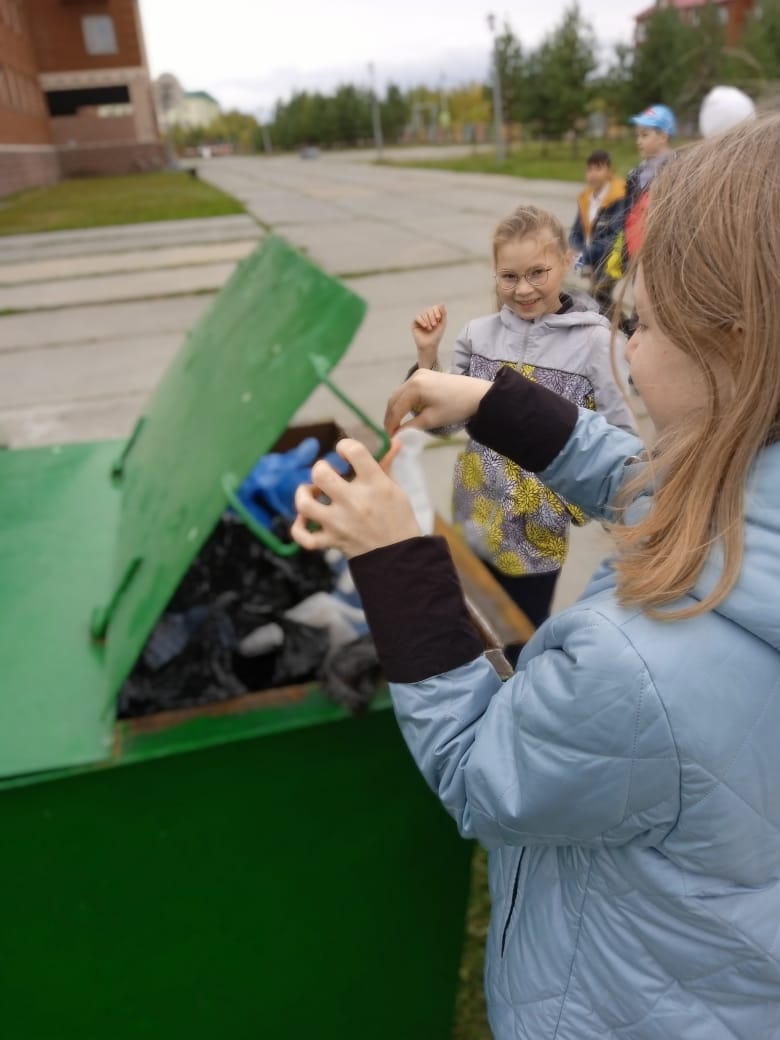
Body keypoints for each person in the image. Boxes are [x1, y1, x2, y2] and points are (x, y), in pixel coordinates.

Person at [291, 113, 780, 1039]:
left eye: (643, 321)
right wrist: (495, 405)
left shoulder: (634, 667)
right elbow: (665, 491)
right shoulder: (750, 480)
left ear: (736, 342)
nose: (624, 347)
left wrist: (396, 561)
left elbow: (483, 771)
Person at [408, 205, 636, 646]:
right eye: (509, 276)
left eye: (538, 272)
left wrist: (587, 509)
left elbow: (622, 445)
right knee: (468, 632)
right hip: (472, 518)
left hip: (536, 539)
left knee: (517, 644)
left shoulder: (594, 343)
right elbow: (441, 427)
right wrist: (425, 356)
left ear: (566, 262)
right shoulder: (478, 336)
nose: (523, 288)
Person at [606, 103, 676, 303]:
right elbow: (627, 214)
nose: (638, 141)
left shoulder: (679, 170)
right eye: (637, 135)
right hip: (638, 253)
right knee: (641, 301)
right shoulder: (636, 174)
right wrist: (620, 249)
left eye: (644, 135)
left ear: (663, 137)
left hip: (665, 255)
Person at [569, 150, 626, 319]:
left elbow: (614, 237)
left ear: (609, 171)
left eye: (598, 169)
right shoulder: (585, 198)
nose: (592, 174)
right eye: (589, 170)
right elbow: (576, 232)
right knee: (600, 300)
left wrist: (584, 254)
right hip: (592, 260)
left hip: (612, 259)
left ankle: (625, 328)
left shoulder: (619, 196)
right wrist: (575, 250)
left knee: (598, 297)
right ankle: (626, 327)